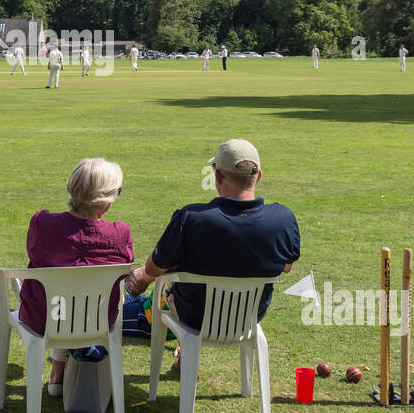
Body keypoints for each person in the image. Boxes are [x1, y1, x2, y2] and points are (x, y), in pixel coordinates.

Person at [125, 139, 300, 341]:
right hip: (248, 318)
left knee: (151, 291)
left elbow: (153, 269)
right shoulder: (283, 218)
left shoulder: (191, 218)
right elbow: (286, 267)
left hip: (194, 317)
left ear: (217, 176)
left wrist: (147, 276)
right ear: (259, 176)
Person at [21, 158, 134, 395]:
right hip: (95, 318)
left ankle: (57, 372)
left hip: (49, 314)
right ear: (105, 200)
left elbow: (34, 254)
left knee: (60, 296)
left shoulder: (43, 224)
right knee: (69, 297)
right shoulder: (120, 234)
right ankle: (58, 371)